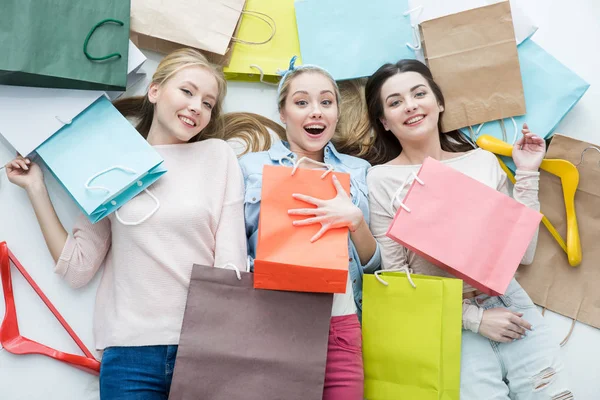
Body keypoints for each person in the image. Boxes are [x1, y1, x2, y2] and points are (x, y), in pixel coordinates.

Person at [5, 48, 246, 399]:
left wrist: (217, 344)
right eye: (188, 91)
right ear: (155, 90)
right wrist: (36, 189)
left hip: (203, 349)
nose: (197, 107)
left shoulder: (217, 156)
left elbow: (231, 265)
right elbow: (78, 269)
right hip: (129, 356)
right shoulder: (113, 160)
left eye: (208, 103)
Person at [364, 59, 572, 399]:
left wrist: (527, 173)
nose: (411, 105)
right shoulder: (381, 179)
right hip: (449, 321)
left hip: (513, 305)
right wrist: (474, 320)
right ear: (385, 122)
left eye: (419, 93)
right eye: (395, 101)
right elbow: (398, 279)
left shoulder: (481, 161)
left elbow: (523, 255)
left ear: (439, 102)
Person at [222, 57, 381, 400]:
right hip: (272, 323)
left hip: (340, 324)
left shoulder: (361, 172)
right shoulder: (250, 168)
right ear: (283, 113)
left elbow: (376, 266)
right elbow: (231, 250)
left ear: (337, 112)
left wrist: (354, 221)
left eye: (326, 102)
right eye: (301, 102)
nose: (316, 112)